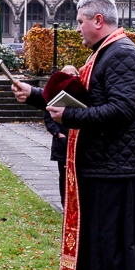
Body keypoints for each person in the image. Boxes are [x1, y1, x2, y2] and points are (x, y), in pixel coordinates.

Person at [11, 0, 135, 270]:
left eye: (80, 21)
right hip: (99, 168)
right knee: (95, 250)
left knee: (111, 251)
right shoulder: (105, 52)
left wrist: (72, 117)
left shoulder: (122, 54)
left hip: (113, 172)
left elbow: (123, 111)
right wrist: (34, 94)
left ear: (98, 20)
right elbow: (83, 99)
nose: (77, 28)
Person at [44, 65, 80, 205]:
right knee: (64, 175)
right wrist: (58, 134)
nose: (70, 77)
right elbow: (48, 117)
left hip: (77, 141)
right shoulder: (55, 94)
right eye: (67, 74)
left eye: (73, 73)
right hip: (63, 142)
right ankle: (65, 203)